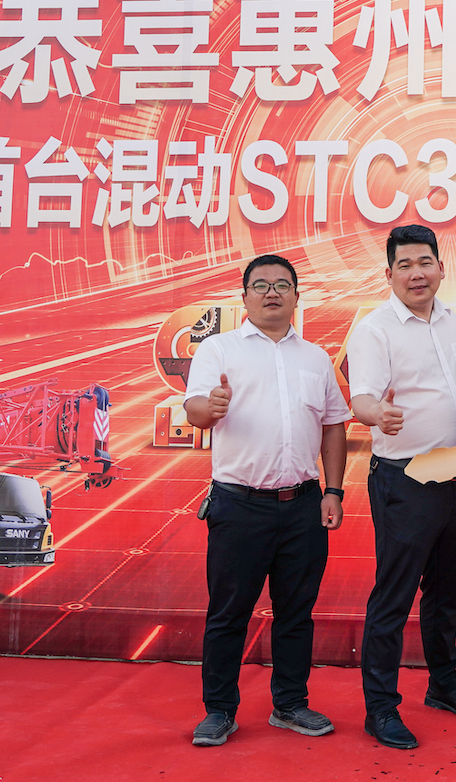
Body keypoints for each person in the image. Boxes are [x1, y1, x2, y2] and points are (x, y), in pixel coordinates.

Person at [183, 254, 351, 748]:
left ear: (297, 296)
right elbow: (195, 410)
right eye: (261, 285)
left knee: (296, 611)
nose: (272, 292)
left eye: (282, 284)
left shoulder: (315, 358)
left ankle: (290, 704)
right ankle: (219, 710)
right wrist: (209, 407)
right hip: (239, 506)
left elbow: (333, 427)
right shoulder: (218, 349)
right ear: (245, 297)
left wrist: (334, 490)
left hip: (303, 505)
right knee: (228, 613)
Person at [348, 224, 456, 750]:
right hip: (405, 479)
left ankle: (444, 684)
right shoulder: (375, 329)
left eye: (425, 262)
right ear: (389, 274)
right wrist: (376, 414)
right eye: (404, 265)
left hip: (455, 475)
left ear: (440, 269)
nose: (416, 274)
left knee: (447, 591)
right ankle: (381, 707)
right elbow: (362, 396)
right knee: (395, 595)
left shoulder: (451, 320)